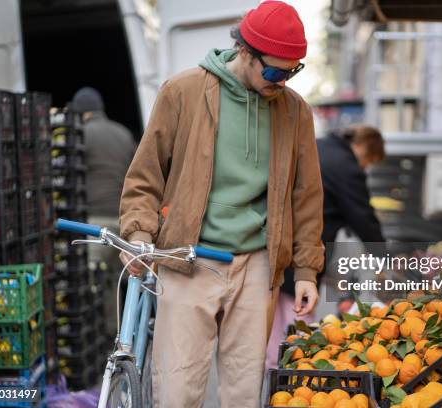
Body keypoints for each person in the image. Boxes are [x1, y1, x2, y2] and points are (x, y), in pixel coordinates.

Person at [118, 2, 324, 407]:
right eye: (274, 71)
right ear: (245, 52)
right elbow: (145, 175)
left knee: (245, 392)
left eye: (292, 71)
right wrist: (140, 235)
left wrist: (306, 270)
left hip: (257, 265)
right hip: (186, 259)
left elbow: (307, 195)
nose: (281, 81)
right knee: (177, 389)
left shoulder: (295, 111)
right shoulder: (183, 92)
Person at [266, 124, 386, 368]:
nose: (365, 167)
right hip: (303, 248)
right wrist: (382, 257)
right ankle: (292, 371)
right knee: (297, 316)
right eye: (369, 161)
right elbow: (363, 217)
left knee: (273, 317)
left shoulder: (322, 145)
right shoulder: (347, 167)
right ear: (362, 147)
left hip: (275, 239)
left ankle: (272, 370)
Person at [71, 87, 136, 334]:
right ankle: (116, 335)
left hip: (95, 223)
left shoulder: (80, 134)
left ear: (81, 112)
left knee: (92, 283)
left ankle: (93, 337)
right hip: (122, 221)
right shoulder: (123, 133)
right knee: (116, 283)